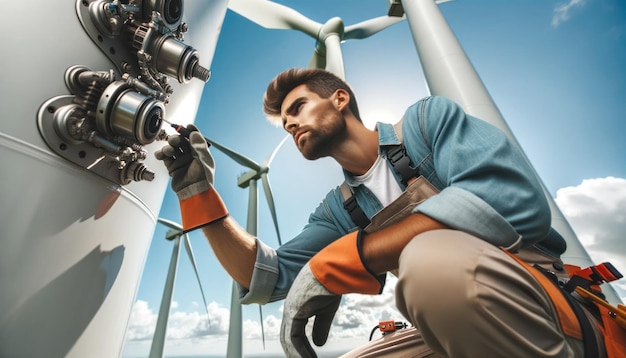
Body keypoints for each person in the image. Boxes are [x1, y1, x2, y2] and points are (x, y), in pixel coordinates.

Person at [155, 68, 607, 357]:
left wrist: (359, 254)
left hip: (541, 299)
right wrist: (198, 194)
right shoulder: (340, 209)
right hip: (452, 325)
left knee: (431, 263)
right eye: (285, 122)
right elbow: (265, 276)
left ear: (340, 98)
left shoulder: (427, 124)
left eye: (298, 108)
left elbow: (509, 200)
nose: (290, 123)